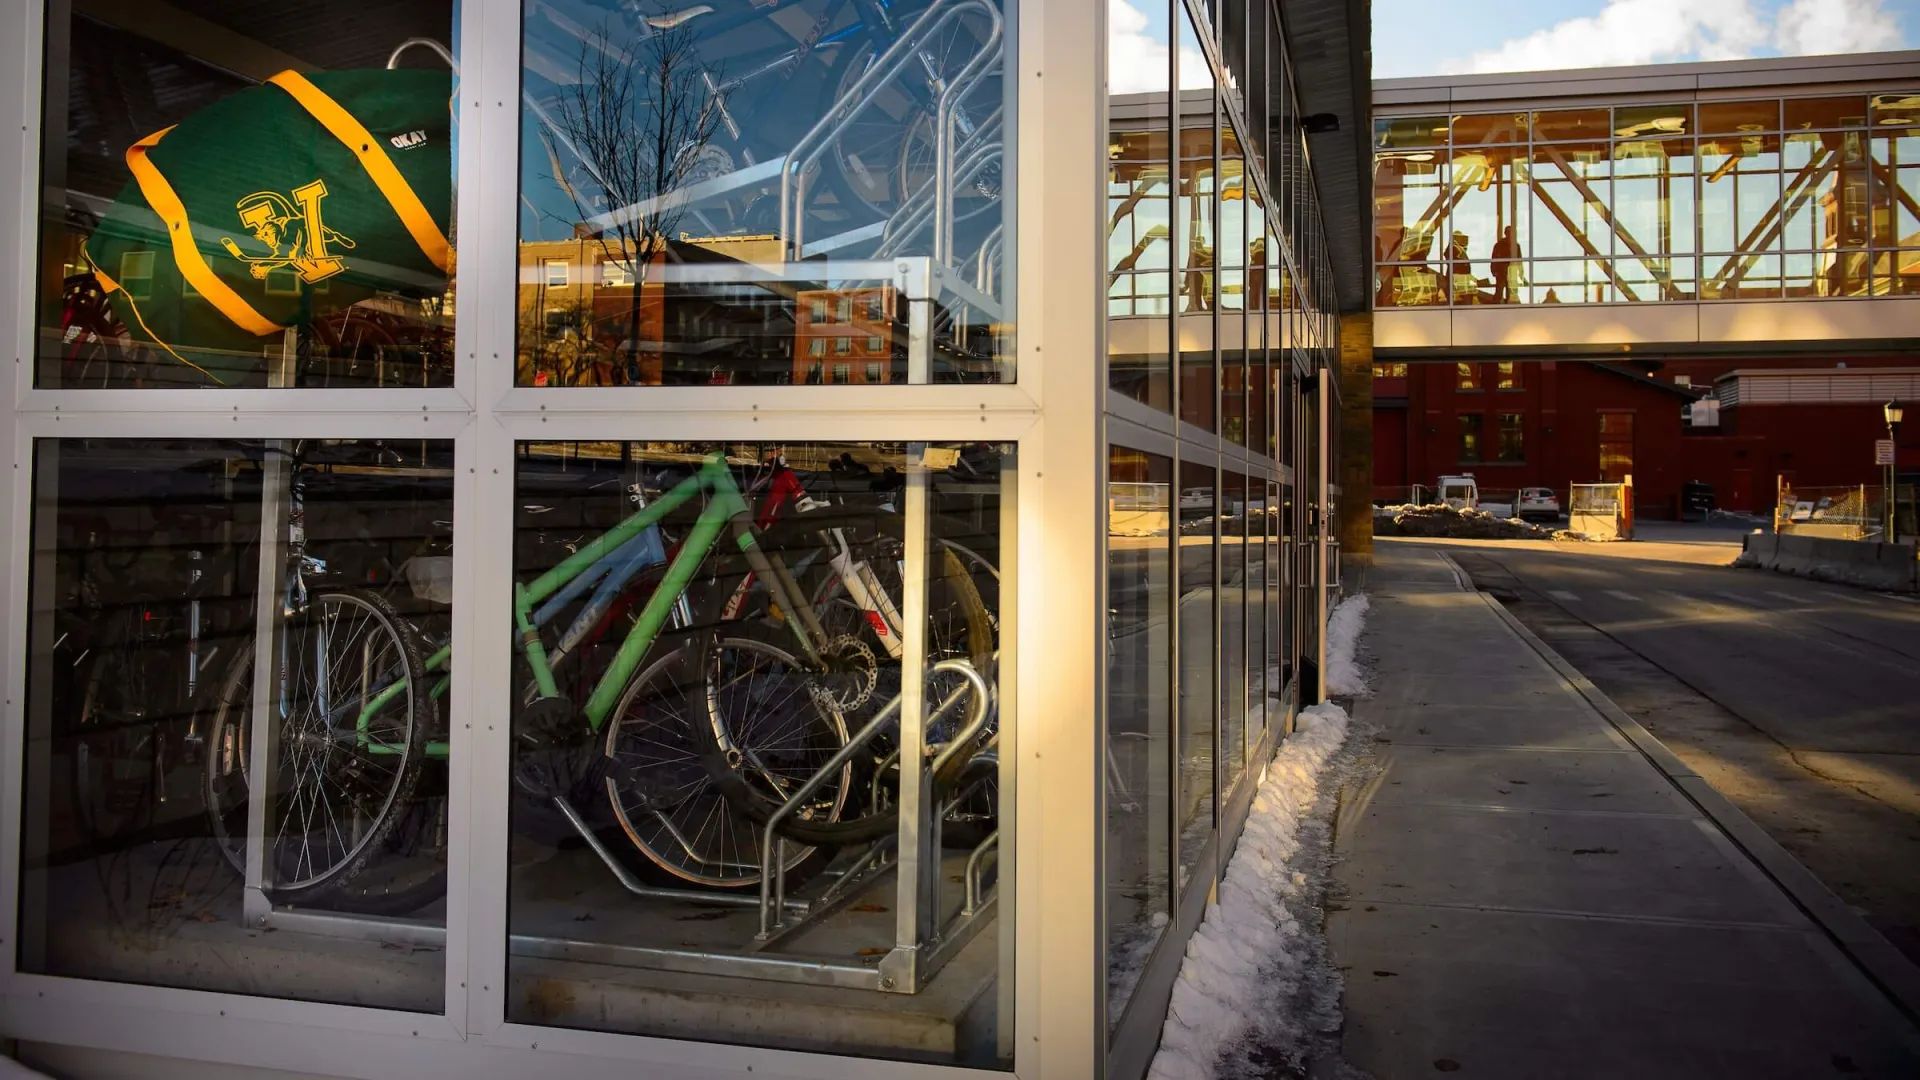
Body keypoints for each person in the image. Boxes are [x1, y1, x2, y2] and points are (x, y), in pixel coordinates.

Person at [1490, 226, 1521, 304]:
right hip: (1501, 271)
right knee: (1499, 291)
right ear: (1506, 233)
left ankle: (1507, 308)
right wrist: (1494, 270)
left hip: (1511, 271)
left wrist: (1520, 273)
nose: (1511, 234)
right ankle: (1496, 307)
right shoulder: (1499, 245)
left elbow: (1519, 260)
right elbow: (1494, 258)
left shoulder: (1516, 245)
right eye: (1509, 232)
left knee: (1510, 292)